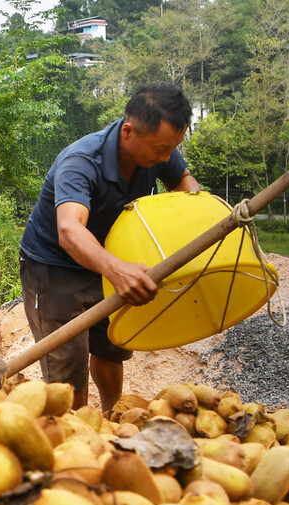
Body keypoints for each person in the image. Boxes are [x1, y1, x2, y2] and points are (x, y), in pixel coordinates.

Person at [18, 82, 201, 413]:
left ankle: (112, 416)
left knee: (111, 348)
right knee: (67, 374)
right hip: (55, 269)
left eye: (172, 148)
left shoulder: (160, 148)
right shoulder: (81, 161)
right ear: (128, 131)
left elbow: (185, 184)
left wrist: (194, 221)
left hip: (110, 255)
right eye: (161, 149)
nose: (166, 157)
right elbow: (70, 230)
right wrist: (116, 270)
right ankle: (76, 433)